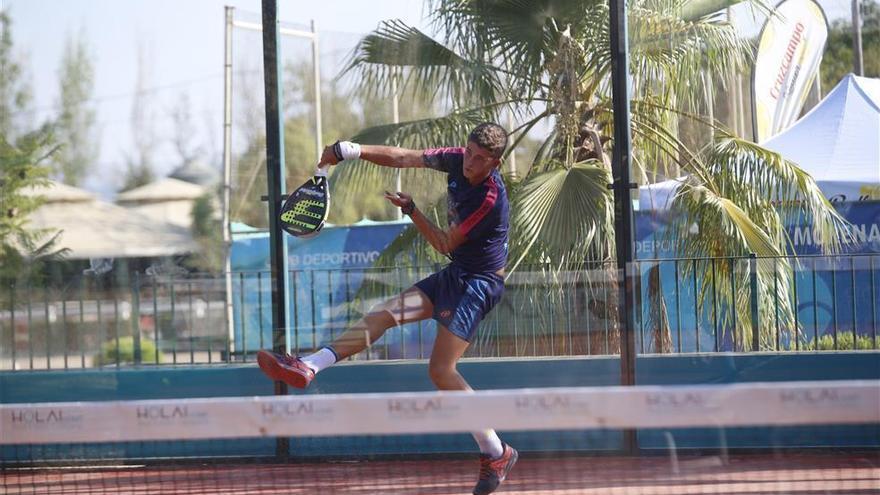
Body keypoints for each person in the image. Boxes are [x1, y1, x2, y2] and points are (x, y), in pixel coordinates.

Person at [257, 122, 516, 495]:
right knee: (384, 313)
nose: (471, 163)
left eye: (480, 159)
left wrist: (411, 209)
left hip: (478, 284)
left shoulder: (490, 198)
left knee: (441, 371)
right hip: (455, 275)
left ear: (496, 162)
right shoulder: (457, 160)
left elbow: (444, 243)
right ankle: (310, 365)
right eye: (470, 152)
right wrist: (350, 150)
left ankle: (496, 451)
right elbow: (403, 157)